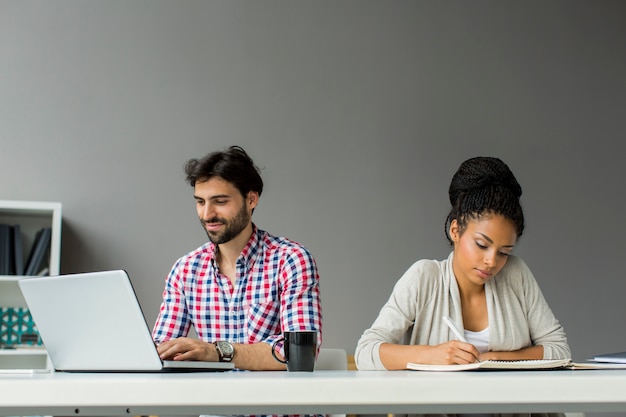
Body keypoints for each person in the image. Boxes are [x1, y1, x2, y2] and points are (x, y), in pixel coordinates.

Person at [355, 156, 570, 373]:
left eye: (504, 252)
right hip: (438, 406)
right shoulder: (424, 278)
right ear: (455, 231)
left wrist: (496, 359)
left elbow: (559, 350)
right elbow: (365, 352)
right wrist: (432, 355)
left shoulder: (516, 274)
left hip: (511, 407)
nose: (492, 261)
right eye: (481, 244)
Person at [152, 145, 322, 371]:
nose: (207, 214)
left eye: (220, 202)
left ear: (251, 199)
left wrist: (217, 352)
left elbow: (298, 353)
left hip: (279, 405)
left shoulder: (290, 260)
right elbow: (160, 352)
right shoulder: (185, 270)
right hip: (215, 405)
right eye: (200, 202)